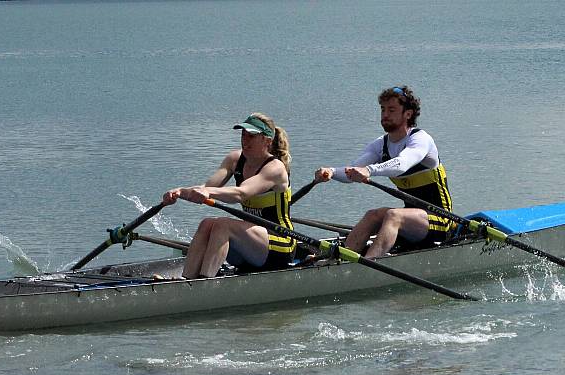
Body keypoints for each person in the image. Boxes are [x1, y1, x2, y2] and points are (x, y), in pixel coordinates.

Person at [314, 86, 453, 258]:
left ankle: (368, 265)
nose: (385, 114)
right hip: (412, 221)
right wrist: (332, 172)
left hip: (441, 219)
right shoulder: (380, 145)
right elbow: (353, 171)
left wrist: (369, 170)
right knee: (373, 215)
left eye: (392, 110)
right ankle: (341, 260)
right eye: (383, 109)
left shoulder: (420, 139)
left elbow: (402, 163)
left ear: (408, 114)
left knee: (393, 215)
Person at [163, 113, 296, 278]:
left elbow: (241, 193)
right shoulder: (234, 159)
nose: (245, 140)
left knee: (223, 225)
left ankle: (205, 283)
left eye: (251, 136)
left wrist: (208, 193)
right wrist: (179, 192)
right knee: (207, 224)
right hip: (250, 244)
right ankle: (187, 279)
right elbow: (206, 187)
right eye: (243, 135)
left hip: (281, 244)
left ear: (267, 141)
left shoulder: (275, 168)